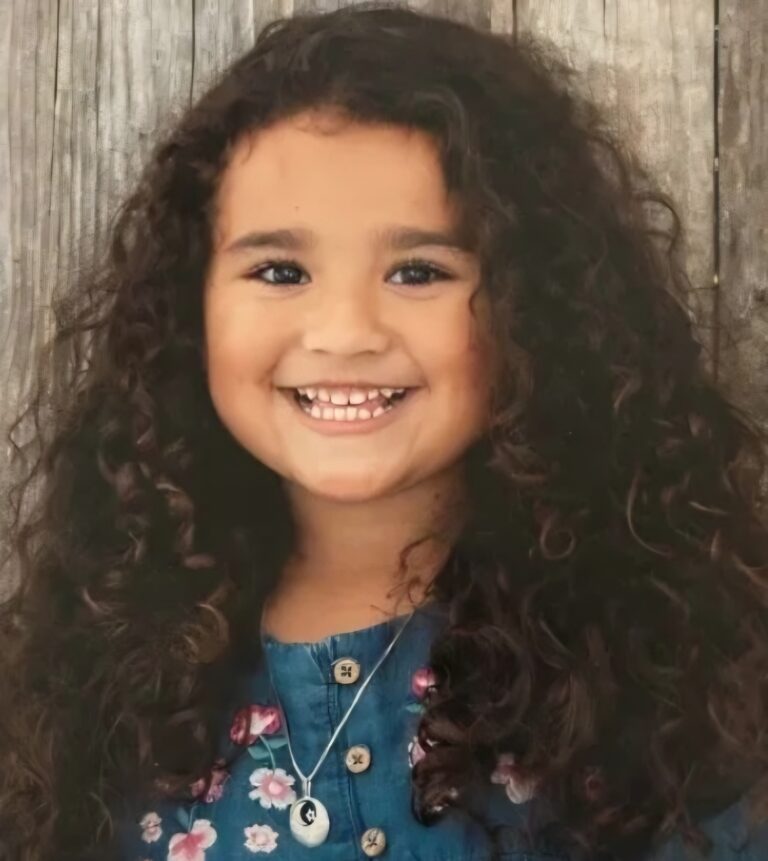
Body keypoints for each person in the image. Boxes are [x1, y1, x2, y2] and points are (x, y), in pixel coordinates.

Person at [1, 2, 768, 859]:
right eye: (279, 271)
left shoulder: (661, 663)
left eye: (418, 271)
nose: (345, 332)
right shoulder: (90, 676)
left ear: (535, 307)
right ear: (190, 308)